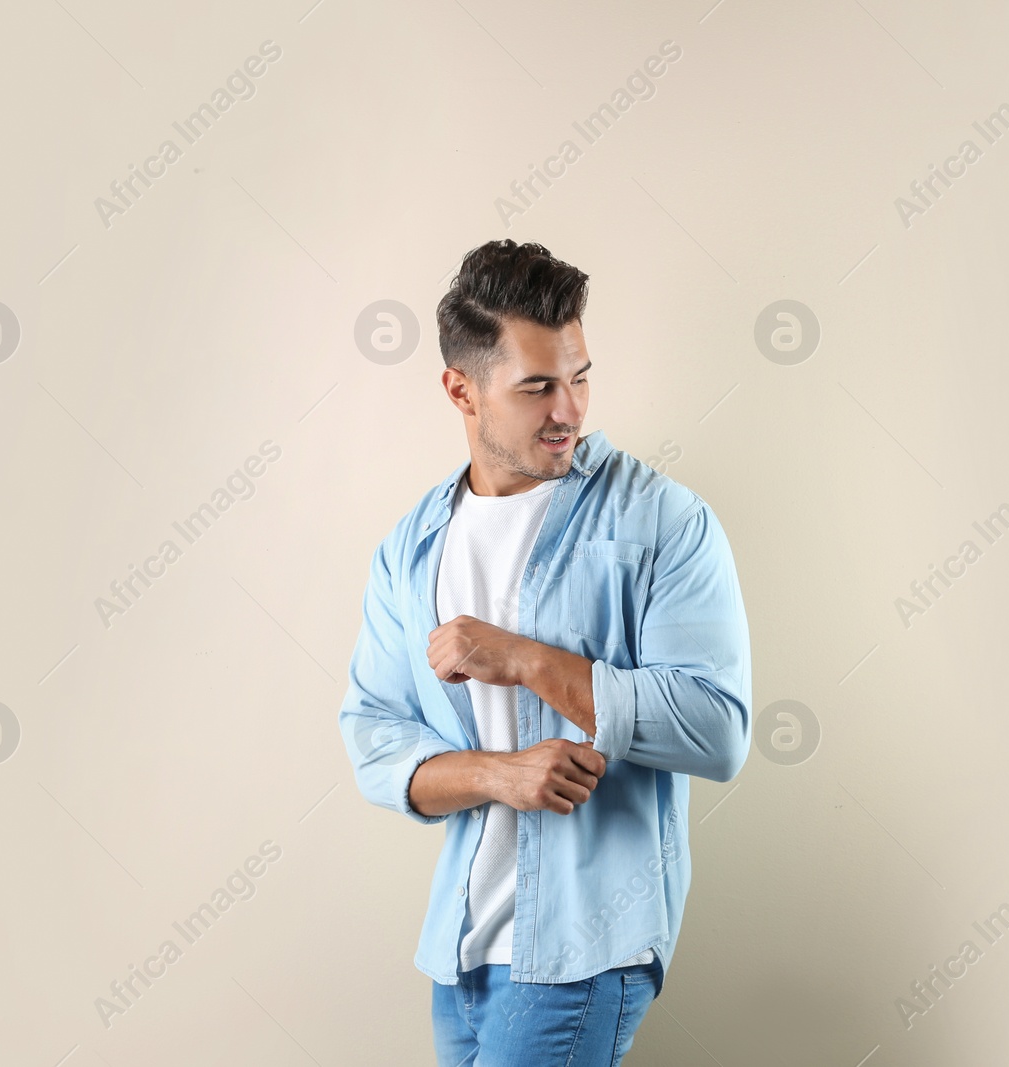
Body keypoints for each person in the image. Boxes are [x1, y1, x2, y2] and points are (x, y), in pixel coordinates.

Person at [338, 238, 752, 1066]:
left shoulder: (664, 522)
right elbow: (373, 736)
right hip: (460, 956)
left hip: (585, 949)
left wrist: (524, 657)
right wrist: (500, 774)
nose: (570, 409)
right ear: (461, 388)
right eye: (537, 387)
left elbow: (718, 729)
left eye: (581, 376)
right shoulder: (413, 546)